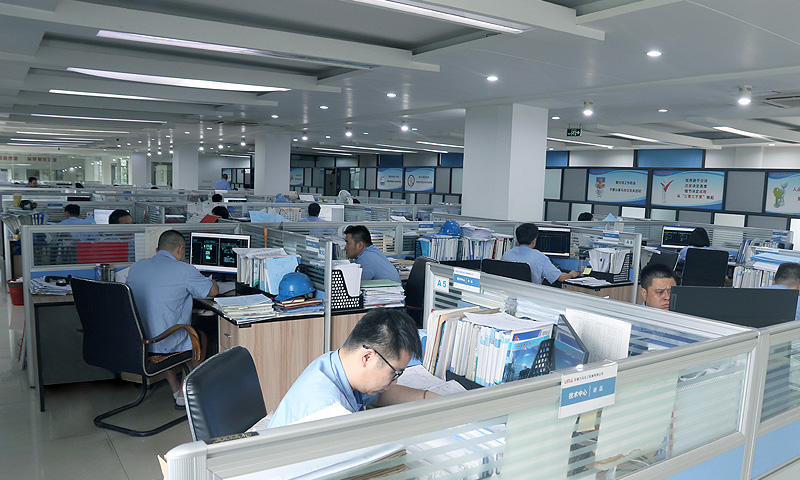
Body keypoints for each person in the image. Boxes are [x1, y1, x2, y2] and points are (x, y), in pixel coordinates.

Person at [268, 308, 435, 428]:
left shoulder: (335, 364)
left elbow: (380, 396)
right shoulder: (328, 410)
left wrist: (431, 398)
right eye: (394, 373)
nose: (395, 381)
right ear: (367, 357)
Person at [126, 230, 219, 406]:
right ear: (181, 249)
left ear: (157, 250)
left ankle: (175, 388)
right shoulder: (184, 270)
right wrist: (213, 281)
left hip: (140, 341)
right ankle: (184, 392)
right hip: (165, 341)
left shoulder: (137, 267)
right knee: (200, 336)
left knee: (166, 328)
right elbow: (212, 292)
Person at [501, 223, 579, 285]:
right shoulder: (540, 257)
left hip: (510, 294)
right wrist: (571, 274)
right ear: (534, 240)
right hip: (531, 296)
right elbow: (561, 278)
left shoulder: (506, 255)